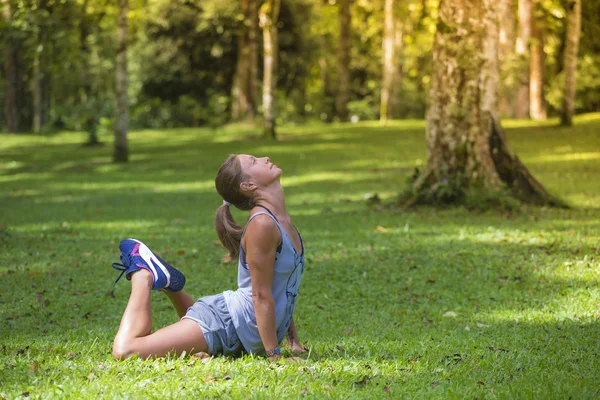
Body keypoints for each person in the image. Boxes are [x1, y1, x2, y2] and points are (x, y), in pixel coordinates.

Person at [110, 154, 306, 362]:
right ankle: (144, 274)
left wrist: (294, 344)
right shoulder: (263, 224)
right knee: (127, 350)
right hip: (225, 324)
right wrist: (275, 356)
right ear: (247, 184)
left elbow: (284, 287)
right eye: (254, 161)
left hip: (241, 334)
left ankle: (169, 284)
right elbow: (260, 294)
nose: (264, 158)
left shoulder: (283, 221)